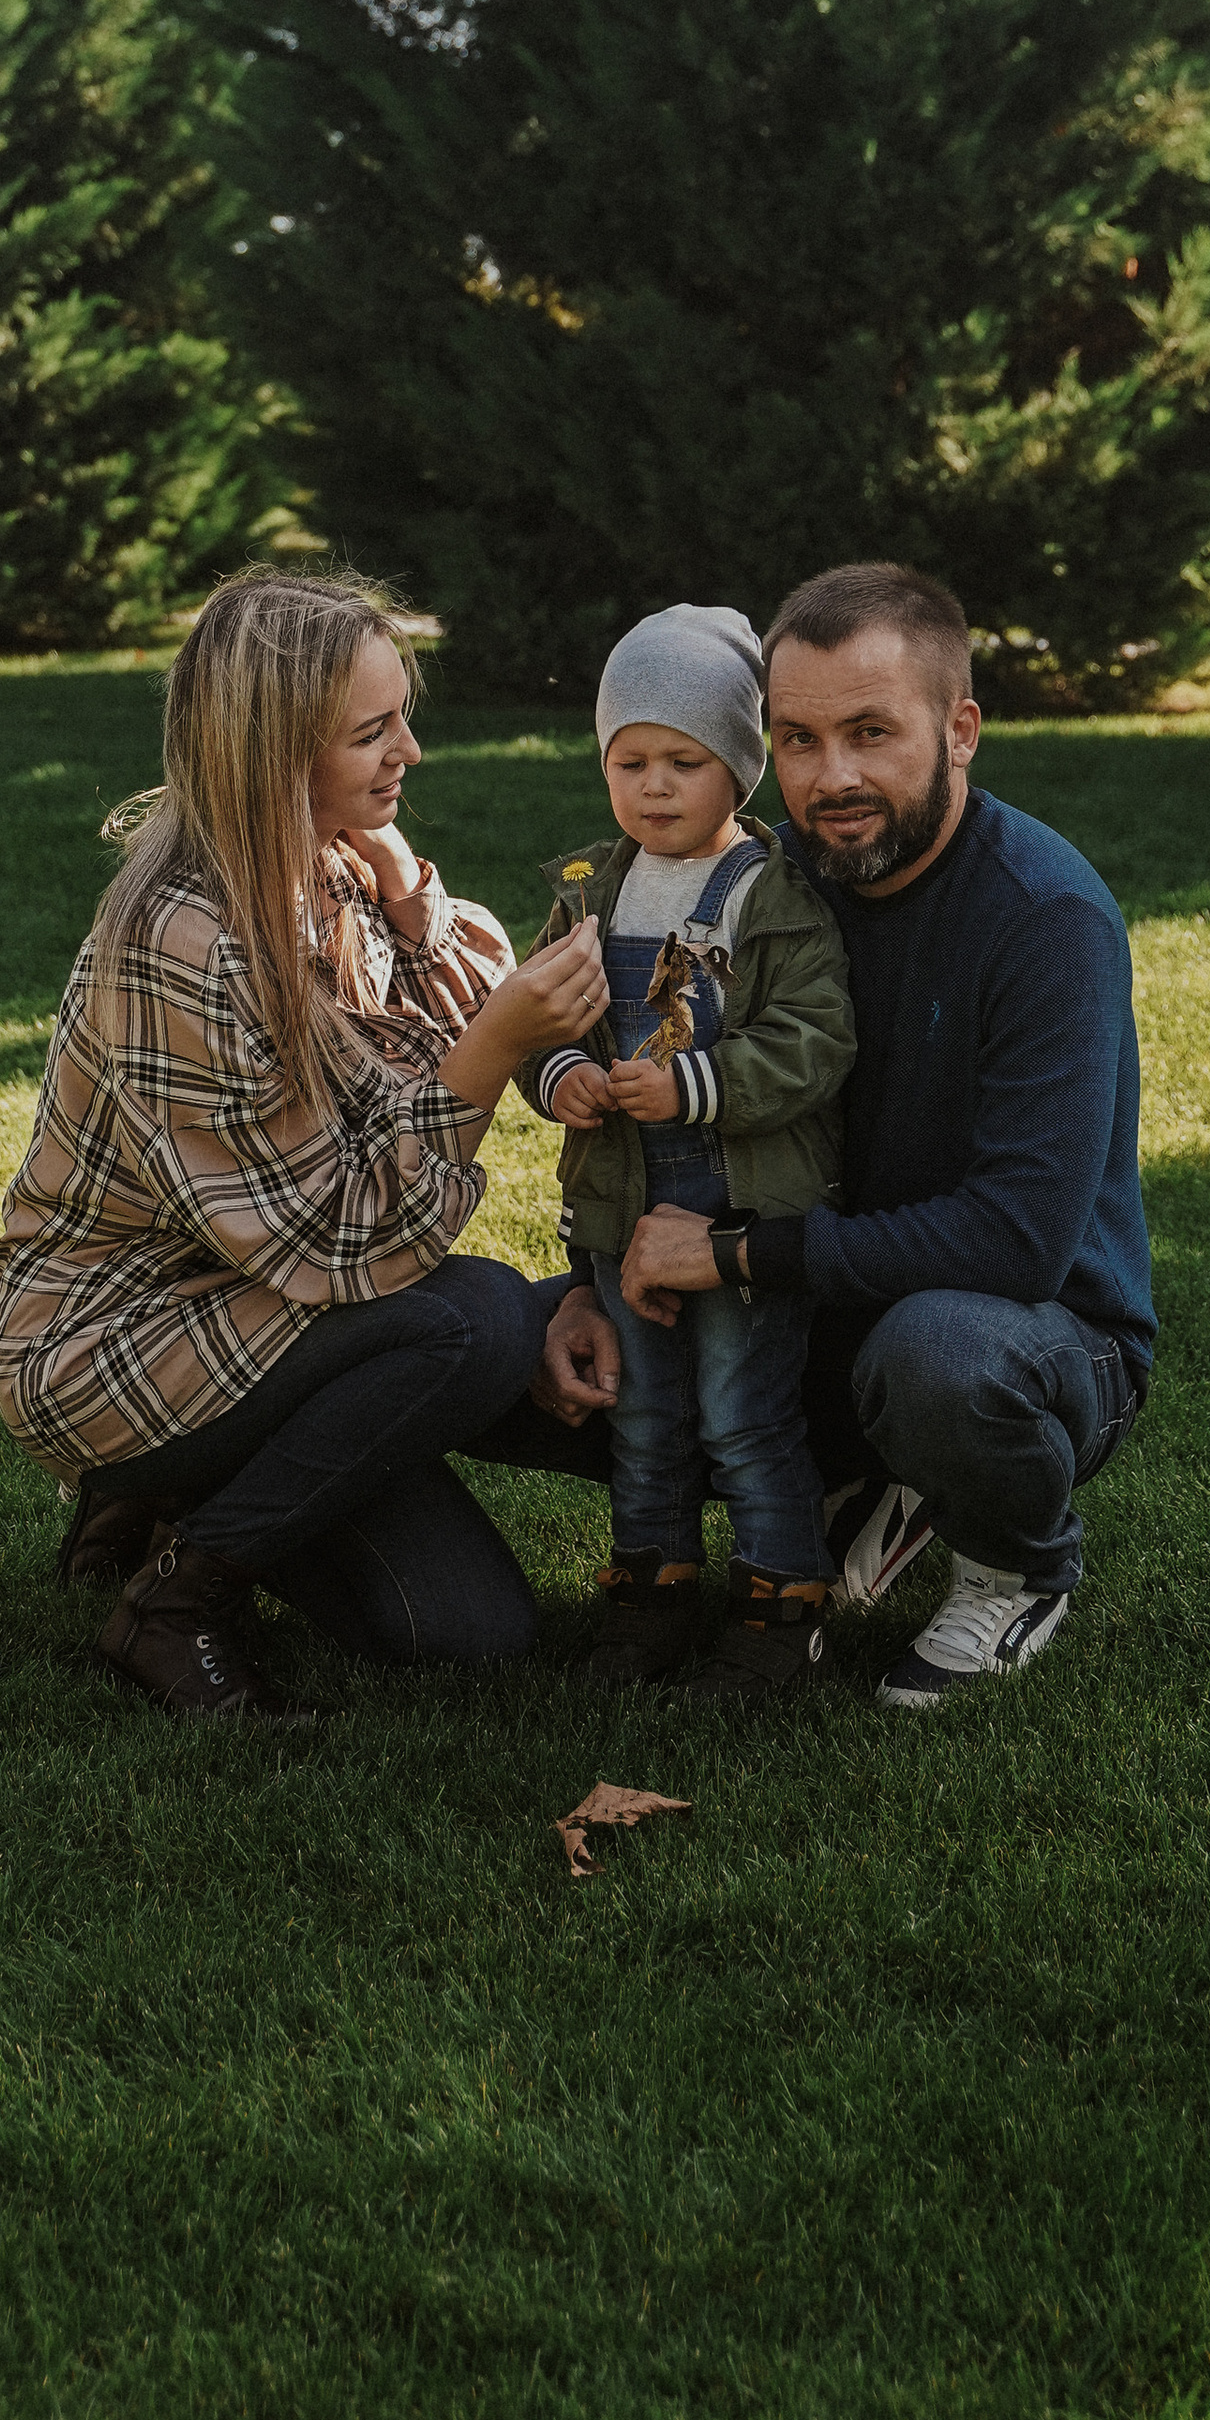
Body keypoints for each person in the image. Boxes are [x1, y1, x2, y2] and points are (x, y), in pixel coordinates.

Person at [524, 561, 1155, 1709]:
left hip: (1025, 1328)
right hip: (797, 1300)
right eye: (798, 740)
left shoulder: (1043, 918)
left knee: (935, 1362)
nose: (834, 778)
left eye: (872, 732)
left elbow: (1012, 1242)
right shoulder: (761, 885)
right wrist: (592, 1279)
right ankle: (858, 1480)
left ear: (961, 730)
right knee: (500, 1345)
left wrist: (731, 1256)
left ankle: (1018, 1564)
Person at [0, 565, 608, 1720]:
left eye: (400, 719)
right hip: (117, 1342)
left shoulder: (326, 863)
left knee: (467, 1634)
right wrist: (487, 1056)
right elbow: (340, 1240)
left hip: (260, 1315)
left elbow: (437, 1031)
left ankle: (173, 1500)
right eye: (372, 732)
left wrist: (413, 900)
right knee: (471, 1321)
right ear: (274, 752)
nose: (408, 752)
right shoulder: (178, 936)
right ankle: (177, 1599)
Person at [518, 603, 853, 1703]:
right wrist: (559, 1074)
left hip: (735, 1208)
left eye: (684, 760)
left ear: (740, 770)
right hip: (622, 1210)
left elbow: (815, 1040)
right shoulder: (589, 891)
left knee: (745, 1411)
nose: (653, 786)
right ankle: (649, 1596)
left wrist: (693, 1084)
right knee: (647, 1415)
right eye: (629, 761)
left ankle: (779, 1606)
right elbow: (544, 1018)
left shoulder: (768, 893)